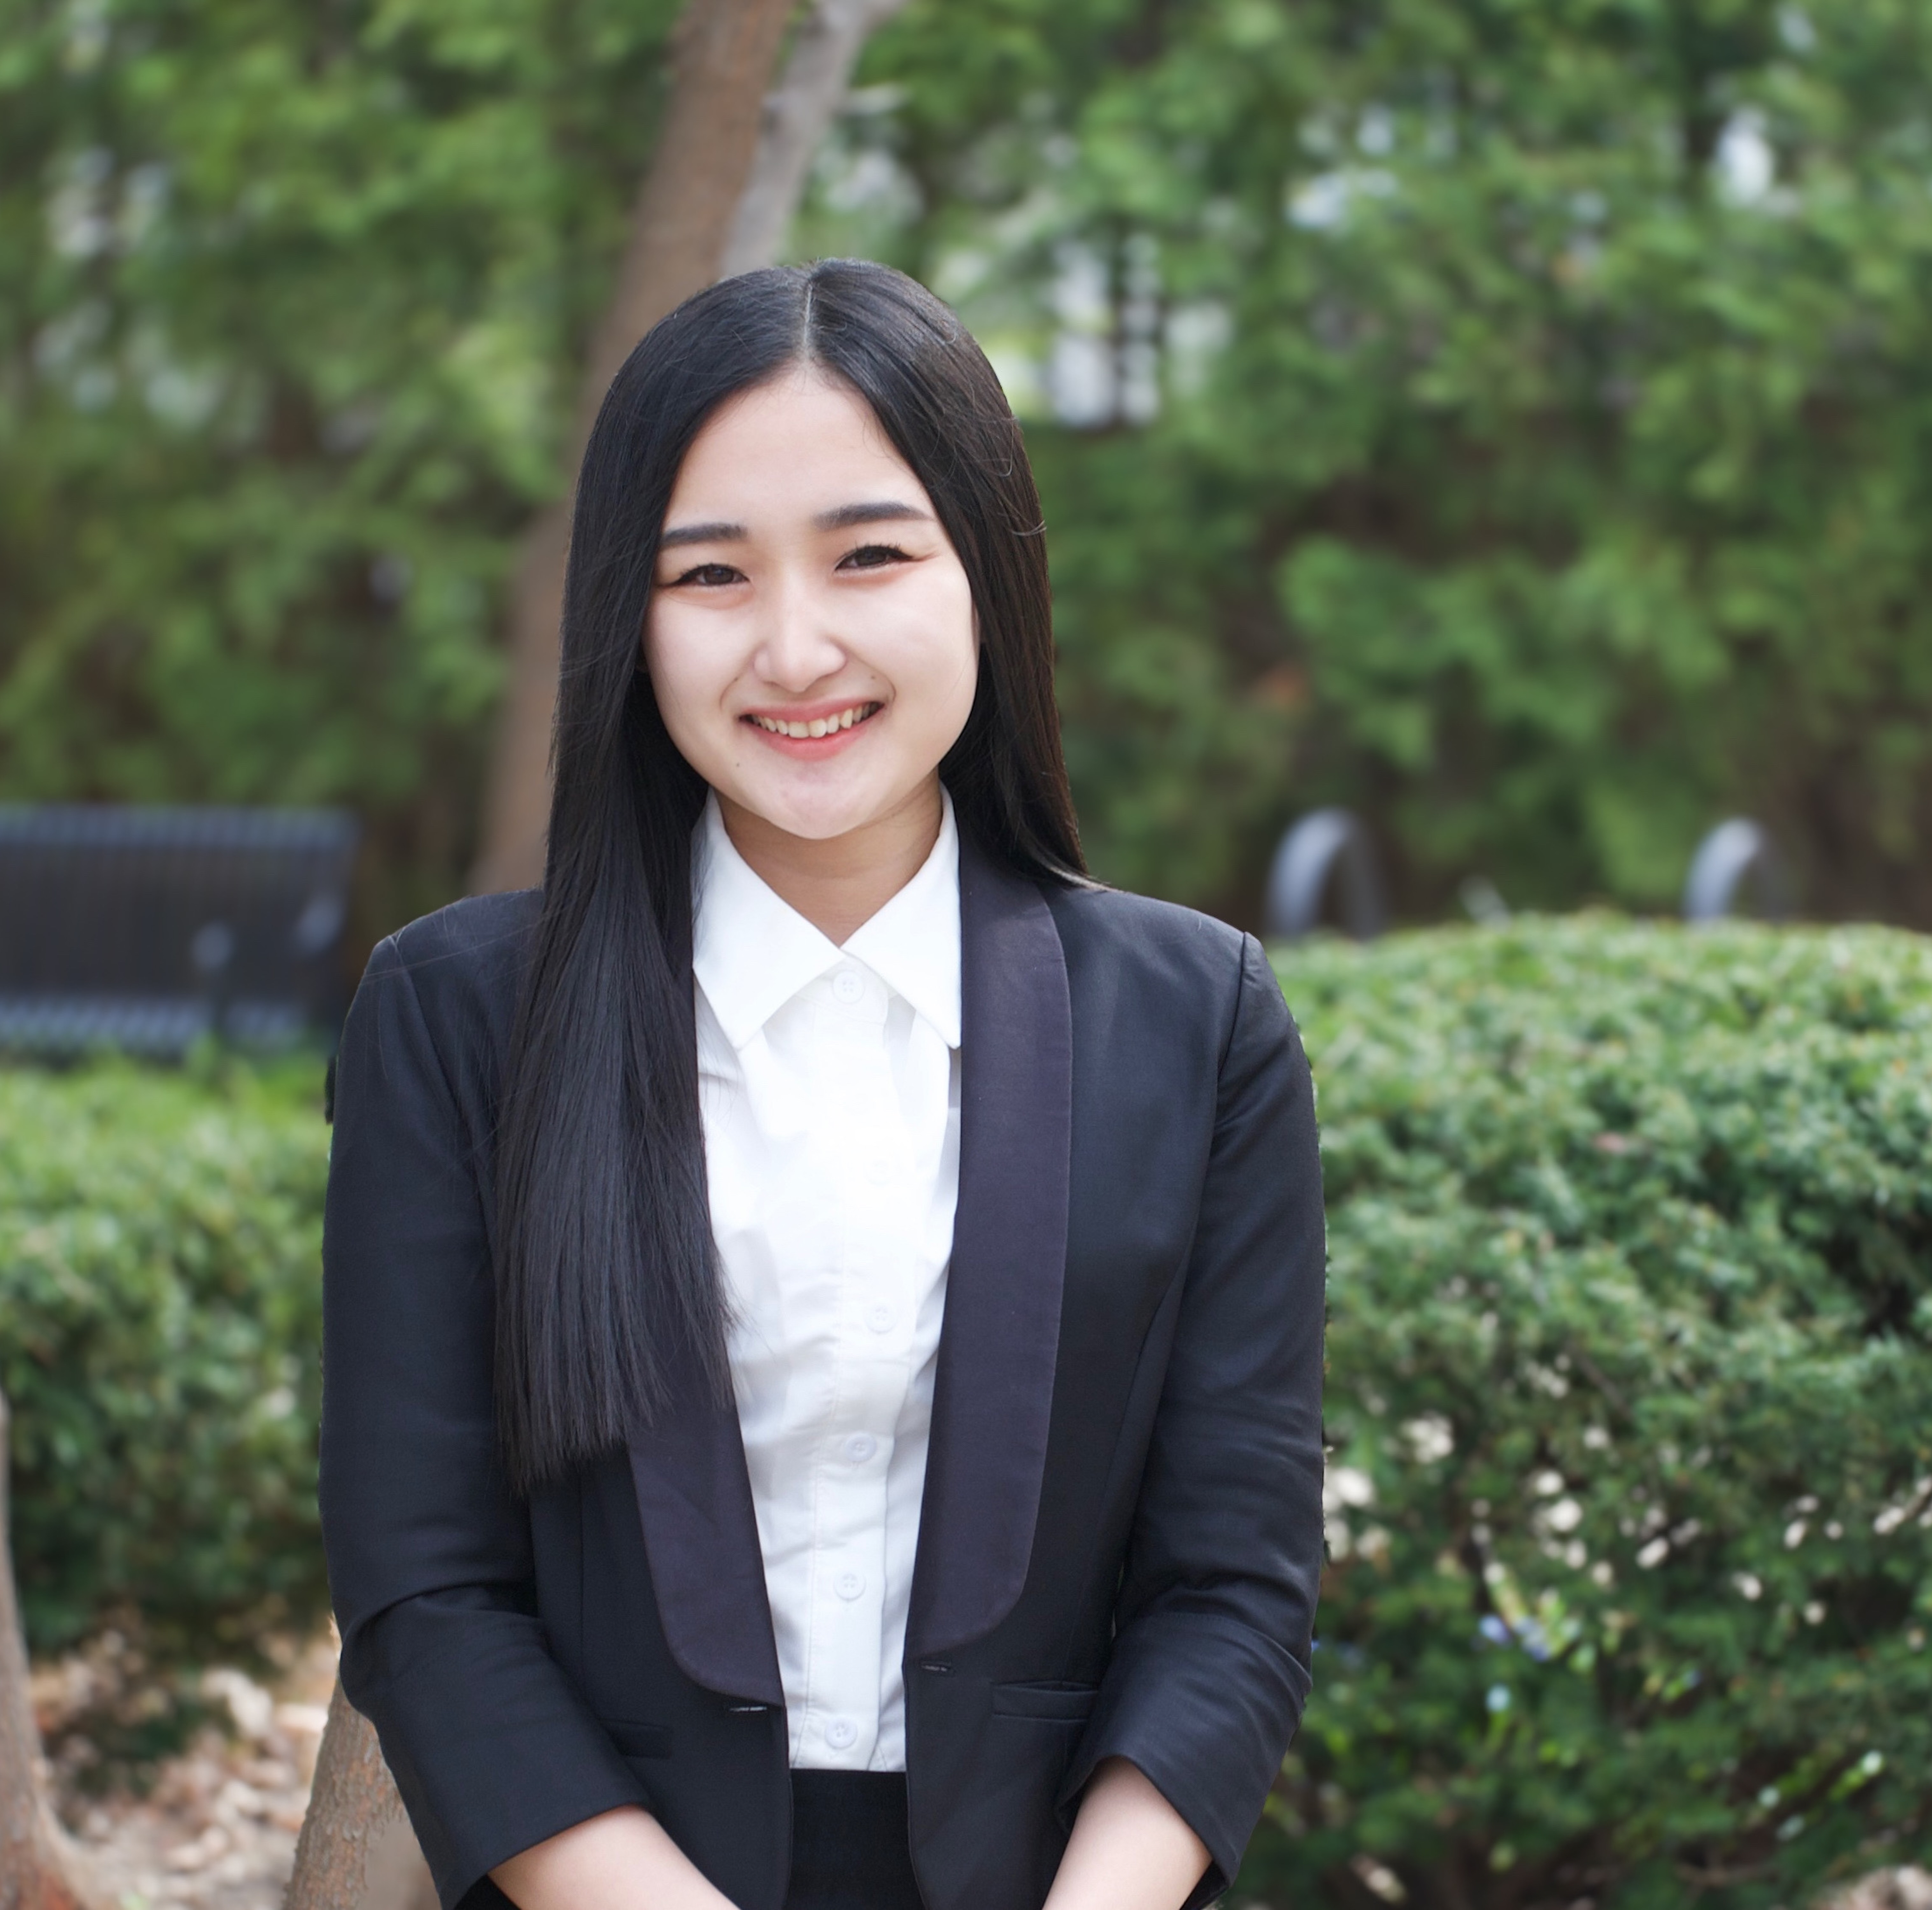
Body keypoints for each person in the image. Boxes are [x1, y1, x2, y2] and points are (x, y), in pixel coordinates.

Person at [319, 259, 1326, 1910]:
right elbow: (425, 1594)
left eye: (868, 555)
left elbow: (1231, 1586)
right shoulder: (456, 1017)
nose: (794, 649)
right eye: (708, 574)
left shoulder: (1191, 1021)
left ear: (986, 574)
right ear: (626, 618)